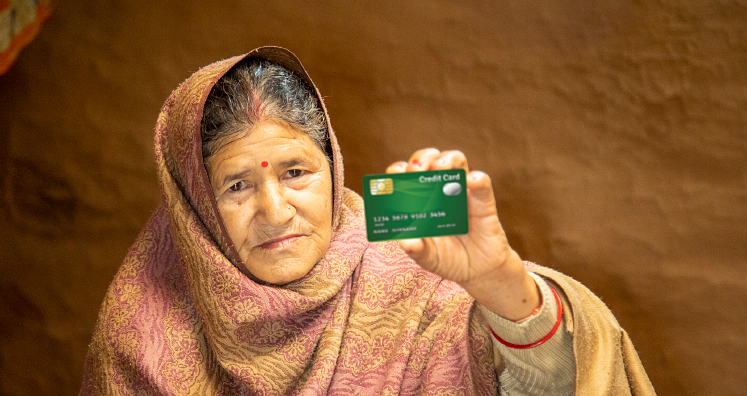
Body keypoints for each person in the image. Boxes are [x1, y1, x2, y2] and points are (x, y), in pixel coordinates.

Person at [80, 46, 655, 395]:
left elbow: (556, 388)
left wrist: (498, 282)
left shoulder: (414, 280)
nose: (275, 212)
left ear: (333, 168)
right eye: (236, 186)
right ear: (195, 207)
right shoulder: (145, 332)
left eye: (297, 172)